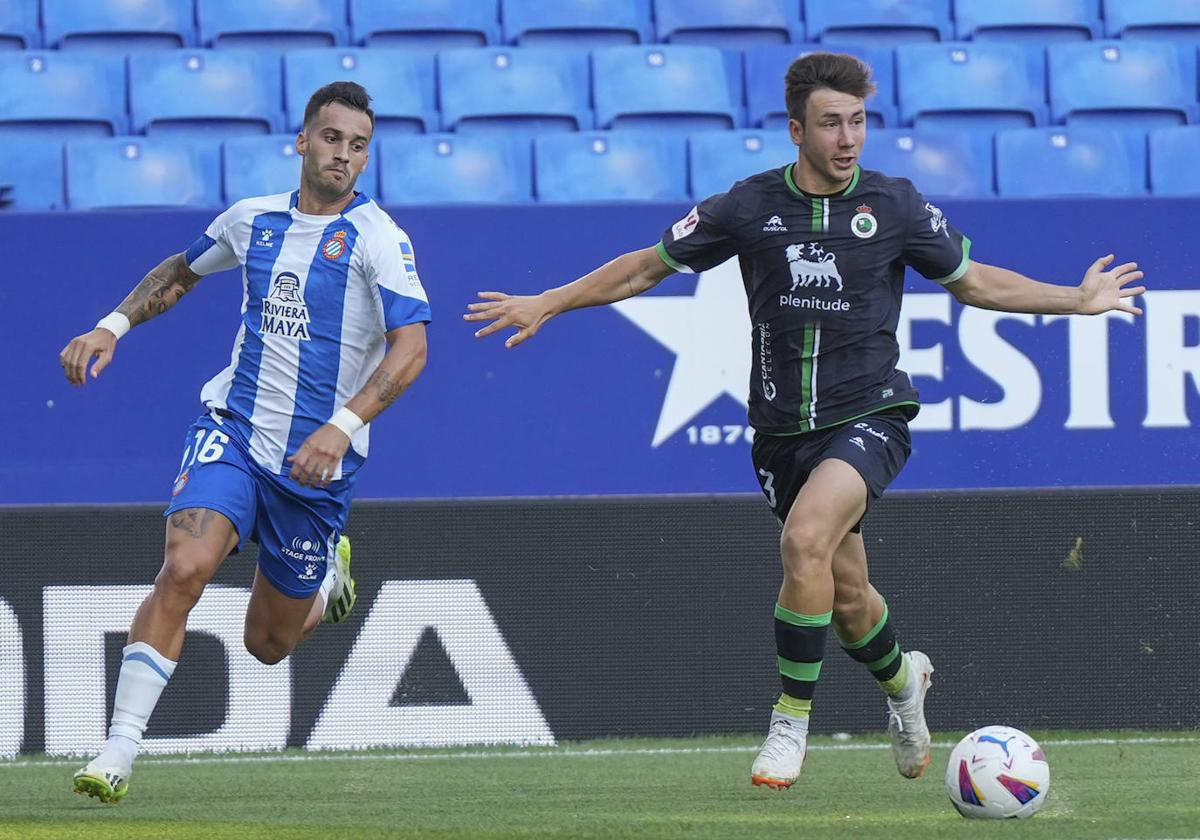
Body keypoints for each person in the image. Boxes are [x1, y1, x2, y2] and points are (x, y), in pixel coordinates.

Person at [464, 53, 1144, 789]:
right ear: (796, 130)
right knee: (849, 601)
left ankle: (790, 720)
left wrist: (1074, 300)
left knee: (805, 536)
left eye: (857, 122)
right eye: (831, 124)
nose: (848, 139)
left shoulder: (897, 206)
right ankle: (902, 684)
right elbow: (643, 269)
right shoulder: (747, 209)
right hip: (781, 433)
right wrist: (547, 301)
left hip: (872, 413)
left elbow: (975, 282)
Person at [60, 81, 431, 803]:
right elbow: (180, 271)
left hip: (316, 467)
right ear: (302, 140)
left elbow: (411, 349)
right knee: (185, 567)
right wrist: (111, 324)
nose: (344, 156)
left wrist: (342, 426)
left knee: (268, 645)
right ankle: (117, 753)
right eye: (331, 139)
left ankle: (328, 578)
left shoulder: (377, 237)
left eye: (358, 146)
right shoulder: (252, 220)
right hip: (232, 428)